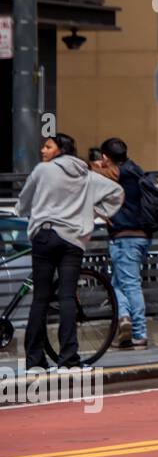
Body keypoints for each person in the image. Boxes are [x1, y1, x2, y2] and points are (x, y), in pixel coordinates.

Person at [16, 134, 123, 371]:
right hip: (73, 239)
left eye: (48, 146)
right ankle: (68, 359)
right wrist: (96, 211)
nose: (43, 150)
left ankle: (35, 360)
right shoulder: (86, 174)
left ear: (60, 150)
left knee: (41, 298)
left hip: (44, 235)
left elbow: (24, 201)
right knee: (66, 297)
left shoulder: (43, 171)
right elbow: (117, 192)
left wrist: (25, 211)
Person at [96, 138, 154, 349]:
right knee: (117, 284)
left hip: (124, 237)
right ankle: (124, 318)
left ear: (105, 157)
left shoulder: (118, 174)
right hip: (142, 236)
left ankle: (139, 332)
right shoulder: (136, 170)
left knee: (129, 284)